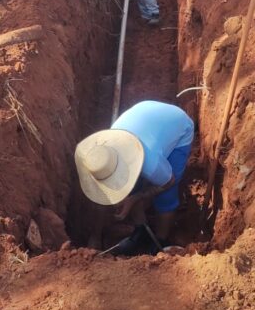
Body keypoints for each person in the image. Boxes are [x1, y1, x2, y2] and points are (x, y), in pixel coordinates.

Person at [75, 101, 194, 255]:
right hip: (144, 116)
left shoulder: (150, 164)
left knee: (165, 197)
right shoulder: (101, 156)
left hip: (179, 126)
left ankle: (160, 242)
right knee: (132, 187)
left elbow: (169, 181)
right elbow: (103, 192)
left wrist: (136, 198)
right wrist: (95, 237)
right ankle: (142, 233)